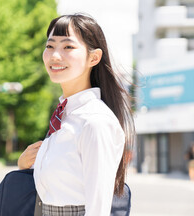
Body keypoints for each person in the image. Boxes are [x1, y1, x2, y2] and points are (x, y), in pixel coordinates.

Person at [18, 13, 135, 216]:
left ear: (94, 58)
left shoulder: (96, 121)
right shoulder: (65, 115)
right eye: (50, 46)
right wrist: (24, 165)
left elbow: (98, 208)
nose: (55, 55)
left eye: (68, 47)